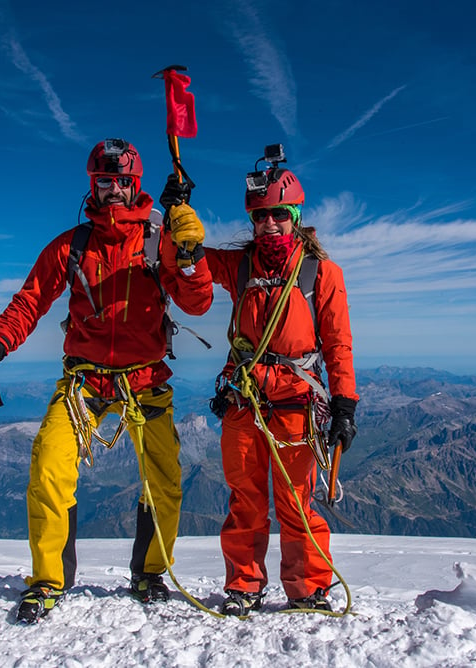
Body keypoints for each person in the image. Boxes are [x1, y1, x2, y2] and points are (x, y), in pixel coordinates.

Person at [0, 138, 211, 623]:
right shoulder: (72, 247)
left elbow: (197, 302)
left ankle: (150, 572)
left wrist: (191, 254)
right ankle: (49, 580)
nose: (112, 190)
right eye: (103, 182)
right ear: (91, 185)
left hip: (144, 381)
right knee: (49, 468)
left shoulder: (159, 242)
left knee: (165, 482)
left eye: (120, 182)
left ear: (134, 185)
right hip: (86, 384)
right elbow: (30, 301)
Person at [162, 146, 358, 616]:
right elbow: (189, 263)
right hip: (244, 401)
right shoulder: (242, 265)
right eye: (260, 216)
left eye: (277, 215)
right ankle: (244, 586)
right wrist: (175, 218)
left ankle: (309, 588)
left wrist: (345, 403)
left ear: (293, 216)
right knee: (244, 501)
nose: (269, 224)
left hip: (295, 402)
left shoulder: (322, 273)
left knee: (296, 502)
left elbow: (338, 343)